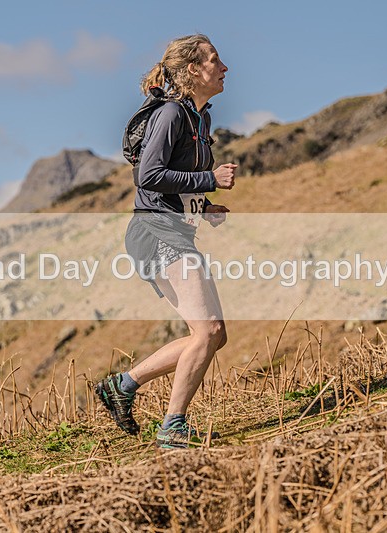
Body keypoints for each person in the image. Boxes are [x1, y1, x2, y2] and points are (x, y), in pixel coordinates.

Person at [95, 34, 238, 448]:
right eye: (216, 60)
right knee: (209, 330)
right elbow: (149, 176)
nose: (225, 68)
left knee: (212, 334)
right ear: (193, 70)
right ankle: (173, 427)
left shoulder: (200, 118)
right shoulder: (172, 114)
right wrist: (209, 178)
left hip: (172, 229)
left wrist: (204, 205)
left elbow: (172, 182)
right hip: (154, 231)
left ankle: (122, 385)